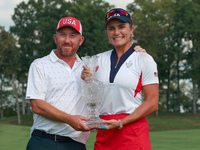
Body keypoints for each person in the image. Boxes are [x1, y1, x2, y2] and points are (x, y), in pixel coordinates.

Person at [82, 8, 159, 150]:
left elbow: (153, 103)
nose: (116, 32)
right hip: (104, 133)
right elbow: (89, 91)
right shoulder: (98, 59)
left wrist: (120, 122)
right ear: (107, 32)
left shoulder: (144, 59)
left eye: (121, 27)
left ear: (131, 30)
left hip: (133, 133)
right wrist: (85, 78)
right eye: (111, 28)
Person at [25, 17, 92, 150]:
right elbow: (37, 106)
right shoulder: (40, 65)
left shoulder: (88, 68)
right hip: (44, 141)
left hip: (76, 144)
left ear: (81, 40)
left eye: (72, 36)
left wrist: (136, 51)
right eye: (63, 35)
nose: (67, 40)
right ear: (55, 38)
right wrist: (70, 119)